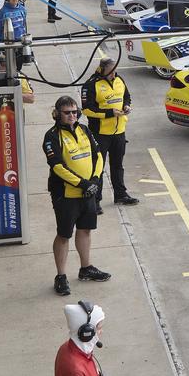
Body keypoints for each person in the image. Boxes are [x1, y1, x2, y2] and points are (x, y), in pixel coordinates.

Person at [44, 96, 112, 295]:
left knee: (85, 230)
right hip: (66, 195)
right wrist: (83, 184)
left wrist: (95, 179)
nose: (72, 115)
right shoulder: (51, 136)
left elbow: (97, 155)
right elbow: (57, 166)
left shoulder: (84, 130)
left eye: (75, 111)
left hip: (88, 192)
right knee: (64, 235)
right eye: (67, 112)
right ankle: (61, 276)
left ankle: (86, 268)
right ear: (57, 114)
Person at [81, 58, 138, 206]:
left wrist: (126, 106)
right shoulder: (91, 84)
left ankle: (120, 195)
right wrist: (110, 113)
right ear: (101, 70)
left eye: (115, 71)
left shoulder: (119, 80)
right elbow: (87, 110)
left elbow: (127, 96)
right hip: (100, 134)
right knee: (98, 168)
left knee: (118, 165)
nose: (114, 75)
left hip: (119, 132)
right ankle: (95, 201)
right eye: (110, 72)